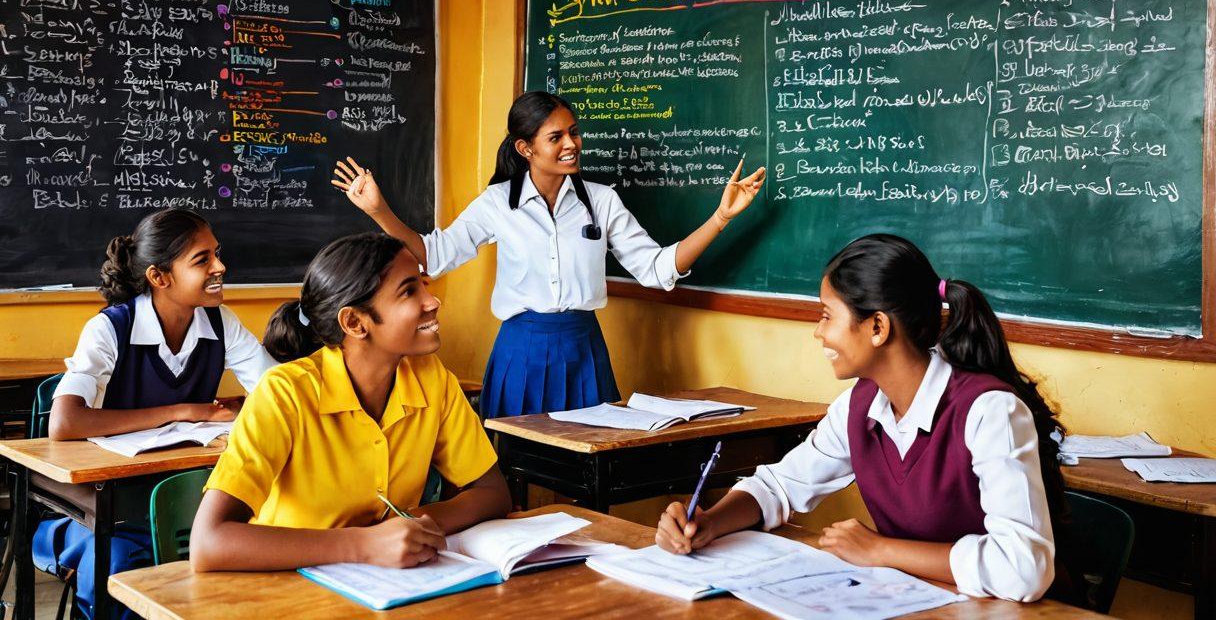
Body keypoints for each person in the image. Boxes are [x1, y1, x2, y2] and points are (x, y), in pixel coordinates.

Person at [654, 234, 1067, 603]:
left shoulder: (989, 410)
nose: (819, 333)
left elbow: (1024, 569)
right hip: (913, 602)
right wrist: (709, 522)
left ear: (877, 327)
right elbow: (779, 486)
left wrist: (881, 550)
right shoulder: (861, 405)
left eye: (826, 315)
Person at [332, 90, 765, 417]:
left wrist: (721, 217)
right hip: (521, 350)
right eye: (555, 136)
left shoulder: (601, 200)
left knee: (589, 464)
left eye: (573, 132)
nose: (571, 144)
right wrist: (379, 210)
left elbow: (656, 269)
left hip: (584, 350)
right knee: (514, 465)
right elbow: (433, 256)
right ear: (526, 149)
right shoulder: (498, 203)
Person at [189, 232, 511, 572]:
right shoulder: (285, 393)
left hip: (386, 585)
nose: (432, 302)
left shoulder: (431, 378)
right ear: (355, 323)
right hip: (288, 587)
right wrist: (365, 543)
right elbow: (209, 543)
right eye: (409, 291)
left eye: (424, 285)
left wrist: (414, 523)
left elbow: (493, 492)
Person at [36, 208, 276, 619]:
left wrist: (244, 406)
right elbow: (64, 423)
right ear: (159, 277)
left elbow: (279, 392)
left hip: (183, 484)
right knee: (125, 558)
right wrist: (181, 410)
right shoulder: (111, 327)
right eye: (202, 260)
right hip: (111, 499)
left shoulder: (220, 322)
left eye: (216, 253)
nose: (221, 266)